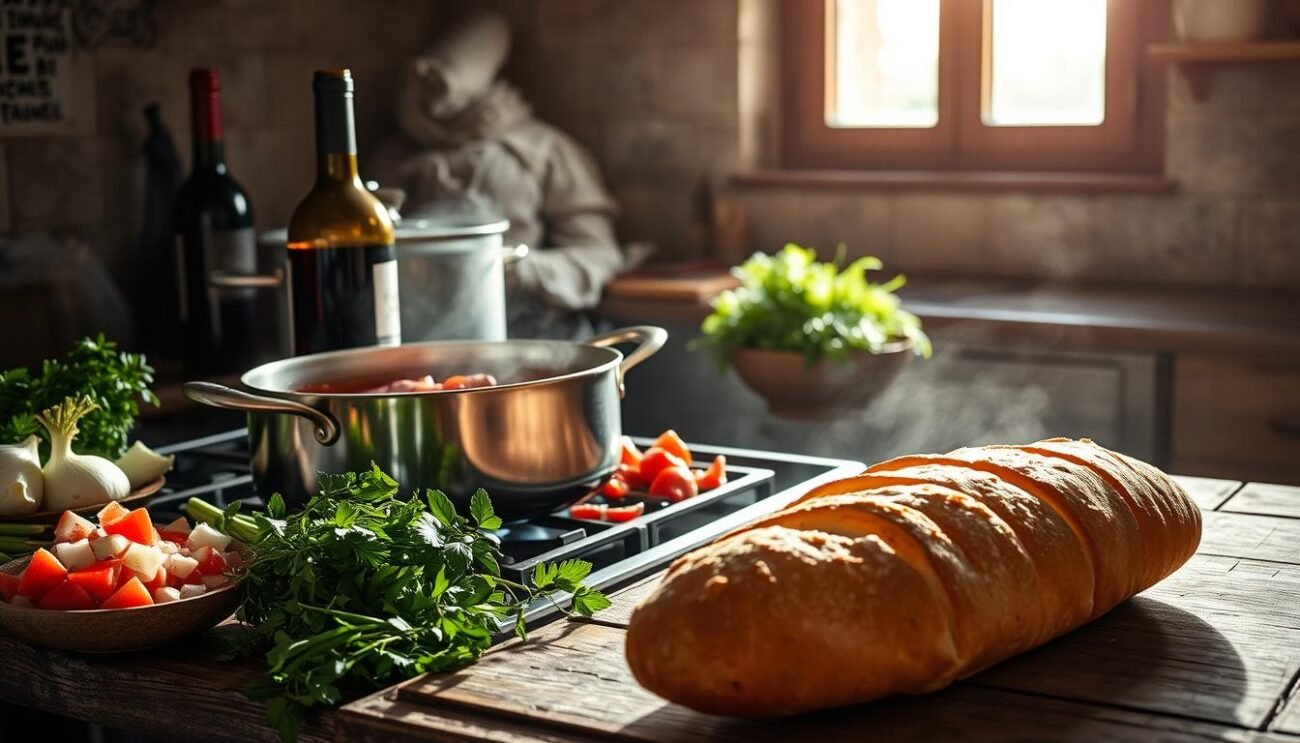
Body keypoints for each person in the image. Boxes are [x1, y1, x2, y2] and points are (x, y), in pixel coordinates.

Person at [369, 12, 635, 339]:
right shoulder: (394, 158)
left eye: (439, 88)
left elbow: (597, 254)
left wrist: (516, 269)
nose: (429, 102)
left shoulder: (544, 151)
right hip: (419, 340)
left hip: (532, 334)